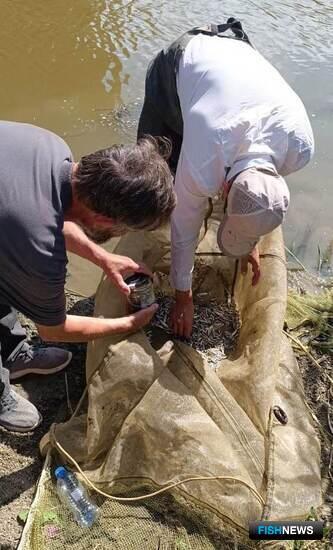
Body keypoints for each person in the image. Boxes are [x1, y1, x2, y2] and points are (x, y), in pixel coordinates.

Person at [138, 18, 314, 339]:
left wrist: (251, 237)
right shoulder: (208, 152)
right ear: (226, 187)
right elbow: (183, 228)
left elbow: (262, 196)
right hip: (183, 64)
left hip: (235, 69)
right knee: (153, 172)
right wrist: (183, 298)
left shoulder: (299, 147)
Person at [0, 121, 176, 432]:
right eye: (124, 229)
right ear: (105, 218)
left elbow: (53, 216)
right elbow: (53, 330)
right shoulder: (37, 245)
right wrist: (126, 324)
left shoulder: (54, 149)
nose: (122, 235)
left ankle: (12, 353)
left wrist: (104, 258)